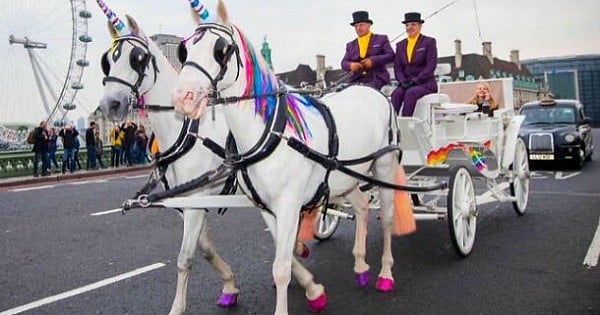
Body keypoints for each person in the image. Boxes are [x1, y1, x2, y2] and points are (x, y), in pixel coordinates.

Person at [391, 12, 438, 116]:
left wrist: (415, 80)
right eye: (407, 25)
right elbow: (397, 68)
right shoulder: (400, 45)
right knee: (396, 94)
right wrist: (402, 81)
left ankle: (405, 124)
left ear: (420, 26)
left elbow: (431, 66)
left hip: (425, 83)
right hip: (406, 83)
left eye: (413, 24)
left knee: (411, 93)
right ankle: (392, 124)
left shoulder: (429, 42)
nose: (409, 27)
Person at [341, 11, 395, 90]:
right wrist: (351, 65)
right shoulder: (350, 45)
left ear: (369, 25)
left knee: (366, 92)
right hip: (356, 79)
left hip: (377, 78)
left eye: (361, 25)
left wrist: (373, 61)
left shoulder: (381, 39)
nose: (359, 28)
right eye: (356, 26)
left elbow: (391, 56)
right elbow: (343, 63)